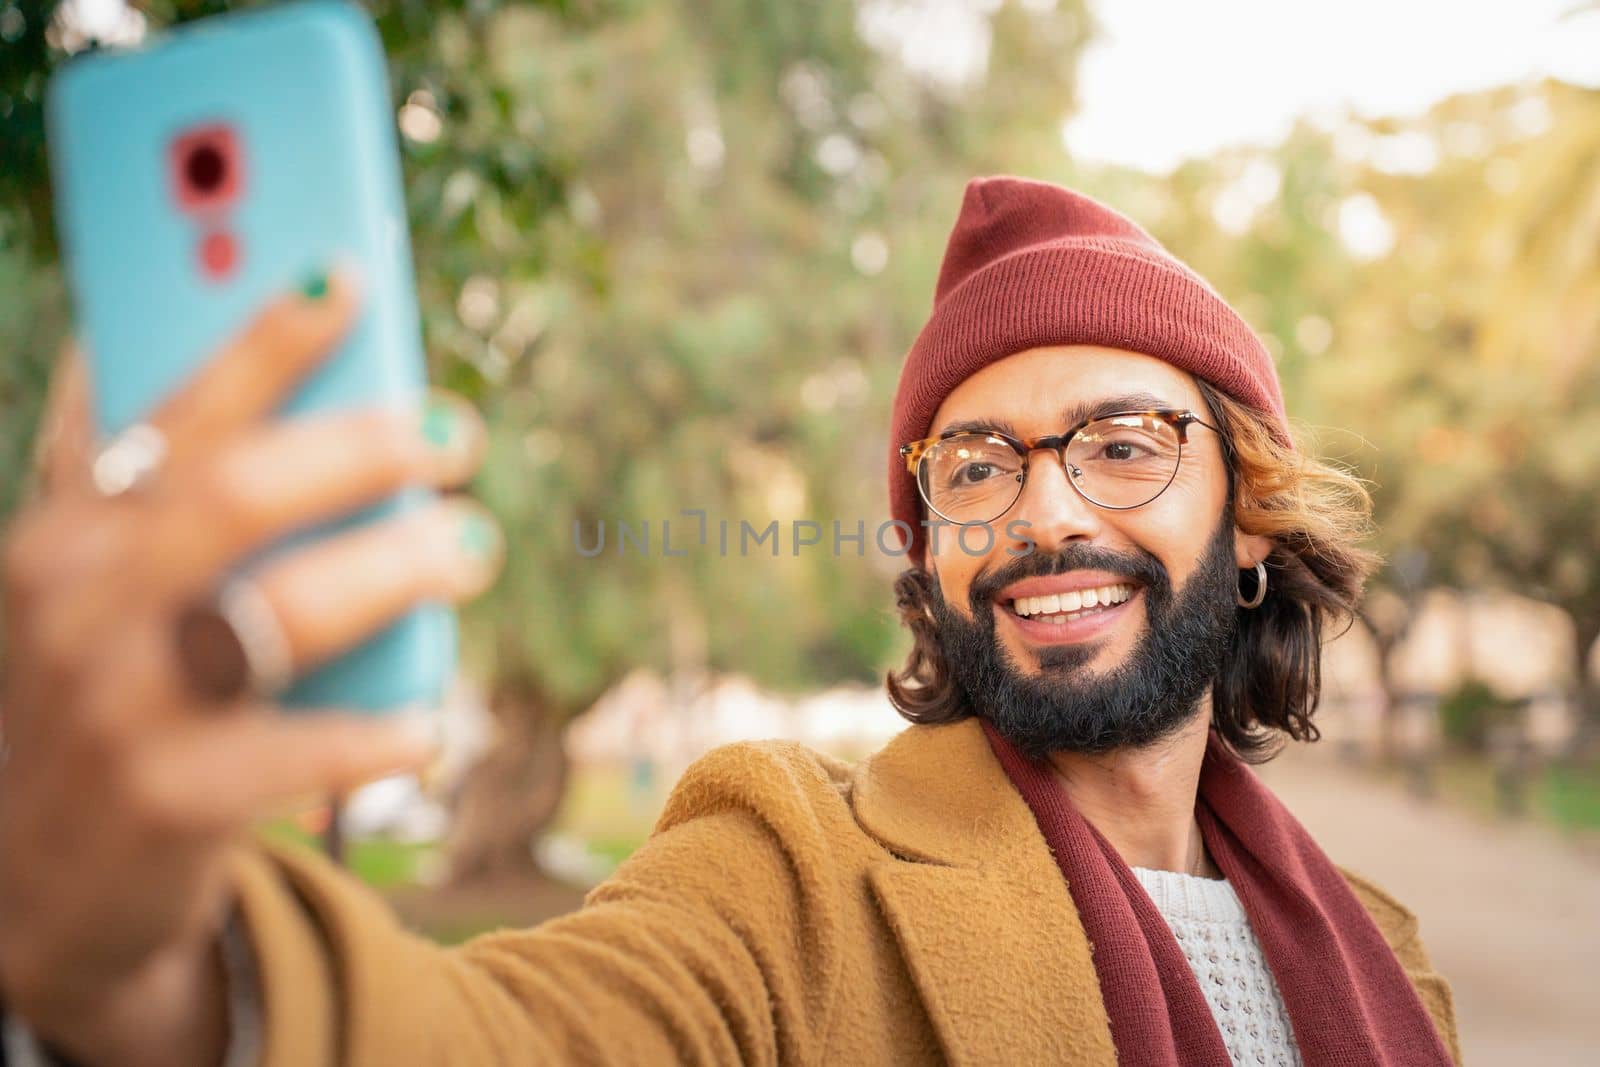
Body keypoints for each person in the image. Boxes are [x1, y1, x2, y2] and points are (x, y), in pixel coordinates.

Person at [0, 177, 1461, 1066]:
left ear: (1252, 515)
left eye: (1126, 443)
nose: (1046, 515)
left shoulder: (1386, 959)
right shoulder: (788, 882)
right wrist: (138, 977)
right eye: (976, 465)